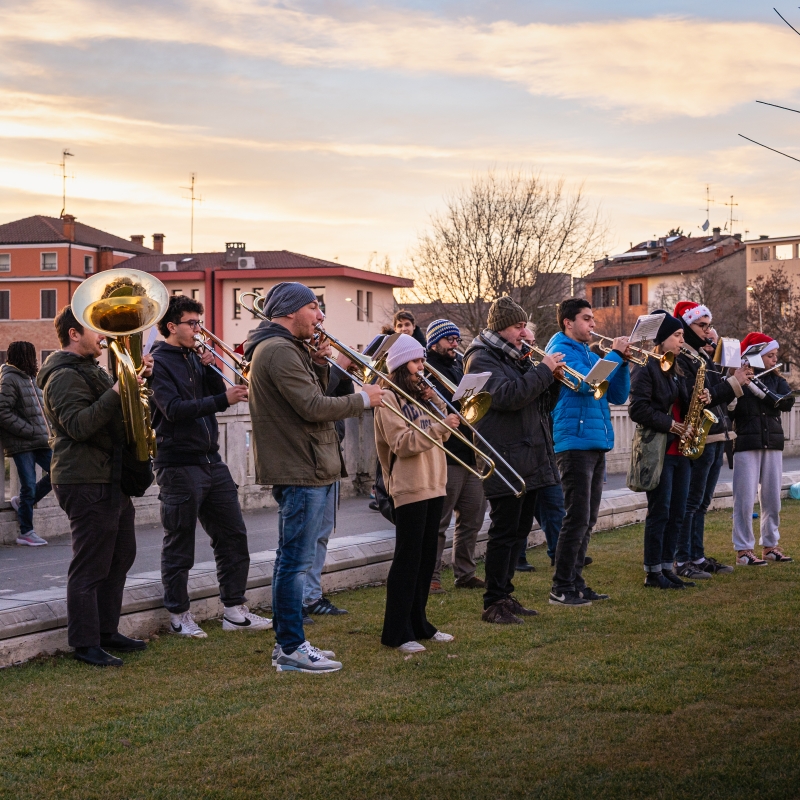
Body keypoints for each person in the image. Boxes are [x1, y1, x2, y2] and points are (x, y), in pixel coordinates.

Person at [245, 282, 385, 673]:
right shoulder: (277, 350)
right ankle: (290, 646)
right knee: (294, 562)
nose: (321, 317)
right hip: (300, 468)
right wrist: (362, 399)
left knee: (297, 560)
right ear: (290, 312)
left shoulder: (288, 349)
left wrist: (322, 365)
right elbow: (311, 406)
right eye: (314, 308)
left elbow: (307, 395)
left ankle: (290, 644)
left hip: (311, 464)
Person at [149, 295, 271, 639]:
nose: (199, 330)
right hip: (177, 463)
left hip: (210, 461)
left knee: (233, 536)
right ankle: (178, 614)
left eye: (200, 322)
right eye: (192, 323)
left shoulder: (193, 357)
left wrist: (208, 368)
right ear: (172, 326)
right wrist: (222, 397)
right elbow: (173, 409)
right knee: (180, 542)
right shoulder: (158, 362)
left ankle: (234, 610)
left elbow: (217, 398)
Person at [38, 306, 152, 666]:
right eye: (96, 329)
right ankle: (85, 642)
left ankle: (106, 630)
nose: (103, 336)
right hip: (84, 478)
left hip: (108, 475)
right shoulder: (62, 376)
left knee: (120, 556)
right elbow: (79, 425)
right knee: (90, 565)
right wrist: (121, 388)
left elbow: (115, 414)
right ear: (74, 334)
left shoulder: (90, 369)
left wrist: (136, 384)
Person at [463, 296, 564, 624]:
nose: (525, 332)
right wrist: (544, 372)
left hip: (527, 454)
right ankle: (493, 602)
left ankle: (505, 594)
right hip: (504, 457)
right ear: (500, 328)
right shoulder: (480, 358)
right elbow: (506, 397)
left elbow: (536, 403)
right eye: (518, 327)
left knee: (519, 530)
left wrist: (554, 381)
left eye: (525, 326)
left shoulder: (514, 357)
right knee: (504, 532)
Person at [374, 334, 460, 652]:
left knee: (425, 559)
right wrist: (439, 427)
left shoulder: (422, 397)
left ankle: (420, 623)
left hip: (434, 482)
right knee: (408, 560)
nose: (421, 367)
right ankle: (397, 632)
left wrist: (436, 400)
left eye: (422, 360)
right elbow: (403, 444)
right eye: (415, 361)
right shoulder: (388, 398)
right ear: (398, 365)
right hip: (409, 486)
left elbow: (452, 427)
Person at [545, 298, 631, 606]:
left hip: (594, 442)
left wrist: (623, 363)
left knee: (588, 518)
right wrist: (616, 355)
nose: (593, 324)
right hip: (574, 443)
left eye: (592, 319)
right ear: (568, 322)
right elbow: (587, 383)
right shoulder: (561, 350)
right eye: (586, 319)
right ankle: (561, 585)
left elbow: (618, 394)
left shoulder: (585, 351)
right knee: (577, 517)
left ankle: (576, 582)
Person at [672, 301, 750, 579]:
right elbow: (700, 395)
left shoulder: (702, 356)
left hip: (718, 434)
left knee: (702, 503)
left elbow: (719, 397)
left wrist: (732, 378)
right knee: (691, 503)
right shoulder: (683, 356)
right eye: (701, 326)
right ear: (686, 324)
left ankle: (698, 555)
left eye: (708, 326)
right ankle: (682, 559)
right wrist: (733, 382)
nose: (707, 331)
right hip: (701, 437)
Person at [628, 311, 695, 589]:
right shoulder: (646, 366)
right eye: (677, 336)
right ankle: (653, 571)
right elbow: (637, 409)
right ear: (662, 339)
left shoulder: (676, 367)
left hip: (681, 450)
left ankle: (668, 567)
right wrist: (671, 425)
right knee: (661, 512)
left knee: (678, 512)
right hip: (660, 449)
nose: (682, 341)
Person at [425, 319, 487, 592]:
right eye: (449, 339)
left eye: (456, 338)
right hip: (446, 454)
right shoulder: (426, 370)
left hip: (470, 451)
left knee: (472, 517)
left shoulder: (459, 366)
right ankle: (431, 576)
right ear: (434, 342)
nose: (455, 343)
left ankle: (465, 573)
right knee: (439, 521)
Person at [730, 333, 795, 566]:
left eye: (774, 355)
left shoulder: (776, 379)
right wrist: (740, 385)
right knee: (745, 499)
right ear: (755, 356)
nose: (774, 360)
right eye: (770, 355)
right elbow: (730, 409)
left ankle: (770, 545)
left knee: (772, 499)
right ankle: (743, 549)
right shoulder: (737, 377)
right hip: (747, 442)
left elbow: (785, 402)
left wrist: (759, 390)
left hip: (773, 442)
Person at [302, 357, 354, 619]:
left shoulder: (323, 364)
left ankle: (311, 595)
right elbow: (316, 401)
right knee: (304, 537)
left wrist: (344, 376)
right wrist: (334, 369)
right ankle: (301, 598)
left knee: (322, 534)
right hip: (310, 458)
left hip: (331, 452)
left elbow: (342, 403)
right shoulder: (298, 360)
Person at [0, 341, 52, 546]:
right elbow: (2, 411)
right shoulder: (9, 379)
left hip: (41, 440)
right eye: (32, 355)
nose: (35, 359)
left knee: (58, 473)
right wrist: (28, 430)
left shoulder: (31, 378)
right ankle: (26, 531)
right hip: (23, 443)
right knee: (29, 485)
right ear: (25, 357)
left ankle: (23, 505)